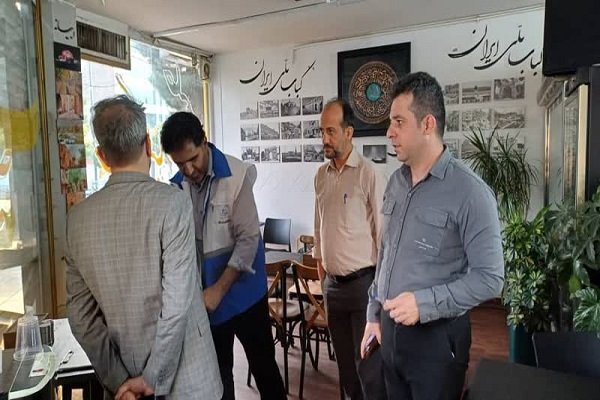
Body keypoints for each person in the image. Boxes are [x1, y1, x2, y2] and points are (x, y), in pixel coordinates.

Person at [65, 95, 222, 400]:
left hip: (125, 382)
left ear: (102, 155)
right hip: (189, 380)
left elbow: (82, 319)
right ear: (148, 144)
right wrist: (152, 377)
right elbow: (177, 301)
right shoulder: (172, 203)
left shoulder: (77, 220)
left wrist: (119, 381)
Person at [361, 72, 504, 400]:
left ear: (427, 124)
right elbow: (386, 253)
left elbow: (491, 278)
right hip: (390, 333)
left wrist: (424, 304)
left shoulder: (471, 193)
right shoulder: (396, 182)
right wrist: (374, 313)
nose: (389, 132)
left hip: (437, 344)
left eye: (399, 122)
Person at [160, 112, 286, 400]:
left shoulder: (236, 175)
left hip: (245, 296)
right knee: (218, 378)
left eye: (193, 159)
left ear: (204, 142)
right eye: (179, 163)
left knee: (265, 370)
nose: (188, 169)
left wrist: (218, 289)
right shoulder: (177, 187)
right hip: (207, 302)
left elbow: (248, 240)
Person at [313, 98, 387, 400]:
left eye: (331, 131)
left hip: (363, 287)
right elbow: (318, 227)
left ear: (349, 132)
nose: (324, 138)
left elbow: (384, 236)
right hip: (333, 288)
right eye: (322, 131)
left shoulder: (369, 174)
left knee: (368, 367)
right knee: (345, 370)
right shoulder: (321, 175)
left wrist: (381, 292)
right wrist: (322, 278)